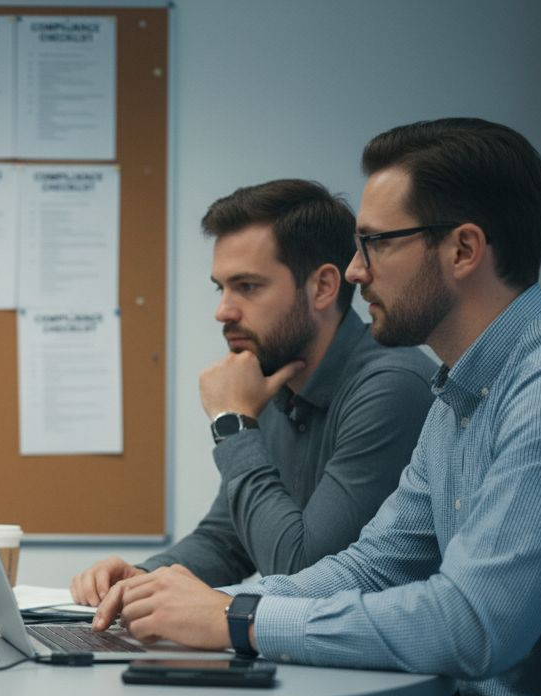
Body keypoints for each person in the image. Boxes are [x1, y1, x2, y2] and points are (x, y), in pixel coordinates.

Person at [95, 118, 541, 696]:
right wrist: (204, 601)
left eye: (376, 244)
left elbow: (472, 623)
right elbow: (372, 564)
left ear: (463, 250)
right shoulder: (457, 395)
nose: (356, 271)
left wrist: (238, 619)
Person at [71, 179, 435, 606]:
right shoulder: (276, 376)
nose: (223, 311)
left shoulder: (390, 387)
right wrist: (143, 577)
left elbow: (304, 572)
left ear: (322, 287)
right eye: (220, 287)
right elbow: (228, 538)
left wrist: (234, 424)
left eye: (247, 287)